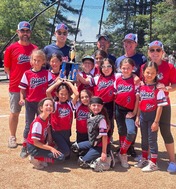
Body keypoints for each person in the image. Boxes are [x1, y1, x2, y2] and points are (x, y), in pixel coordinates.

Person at [4, 21, 37, 148]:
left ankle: (32, 137)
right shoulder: (11, 48)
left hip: (32, 87)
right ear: (18, 32)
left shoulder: (34, 49)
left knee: (32, 114)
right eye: (22, 31)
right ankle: (12, 136)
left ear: (30, 33)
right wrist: (16, 78)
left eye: (27, 31)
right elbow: (7, 68)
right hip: (16, 87)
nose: (25, 33)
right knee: (15, 112)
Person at [145, 40, 176, 173]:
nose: (155, 53)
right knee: (149, 134)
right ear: (148, 52)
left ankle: (172, 160)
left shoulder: (169, 67)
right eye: (152, 50)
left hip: (163, 105)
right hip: (148, 106)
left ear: (162, 52)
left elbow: (175, 85)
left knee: (165, 132)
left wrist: (167, 88)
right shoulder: (144, 66)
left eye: (158, 50)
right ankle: (150, 159)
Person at [115, 33, 147, 157]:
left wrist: (134, 76)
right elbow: (118, 77)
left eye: (131, 42)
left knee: (132, 126)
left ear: (135, 44)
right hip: (121, 100)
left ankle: (131, 147)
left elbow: (142, 78)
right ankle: (122, 147)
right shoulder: (119, 60)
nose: (128, 44)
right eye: (126, 42)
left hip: (134, 98)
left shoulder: (141, 58)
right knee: (121, 127)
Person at [18, 49, 54, 158]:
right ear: (31, 61)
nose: (37, 62)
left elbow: (51, 86)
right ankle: (25, 145)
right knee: (29, 124)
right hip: (30, 102)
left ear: (43, 61)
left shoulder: (46, 73)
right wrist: (22, 98)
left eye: (39, 60)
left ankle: (41, 145)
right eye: (35, 60)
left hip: (42, 104)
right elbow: (22, 89)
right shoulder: (27, 74)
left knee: (44, 124)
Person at [135, 61, 168, 172]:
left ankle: (153, 163)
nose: (149, 75)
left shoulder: (158, 88)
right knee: (144, 139)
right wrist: (138, 117)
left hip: (153, 117)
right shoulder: (141, 87)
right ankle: (144, 158)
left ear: (156, 74)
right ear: (143, 73)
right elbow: (140, 103)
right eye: (147, 72)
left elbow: (160, 106)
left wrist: (156, 122)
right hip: (143, 116)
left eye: (152, 73)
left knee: (152, 140)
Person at [114, 58, 139, 168]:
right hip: (119, 108)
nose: (125, 70)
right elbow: (116, 94)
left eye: (128, 68)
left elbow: (138, 99)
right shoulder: (118, 79)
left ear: (132, 68)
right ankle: (123, 154)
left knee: (131, 132)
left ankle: (122, 152)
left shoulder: (135, 81)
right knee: (121, 130)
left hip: (130, 110)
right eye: (123, 68)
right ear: (120, 68)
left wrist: (134, 112)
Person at [75, 96, 113, 170]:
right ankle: (93, 154)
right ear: (89, 106)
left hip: (100, 145)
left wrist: (104, 152)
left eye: (99, 105)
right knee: (75, 148)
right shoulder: (90, 115)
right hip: (93, 142)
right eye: (94, 105)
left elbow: (104, 137)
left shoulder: (101, 119)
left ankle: (107, 154)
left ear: (102, 106)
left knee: (82, 162)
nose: (96, 107)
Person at [27, 97, 64, 170]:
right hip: (34, 147)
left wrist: (50, 136)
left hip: (41, 143)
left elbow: (48, 127)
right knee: (60, 156)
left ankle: (41, 157)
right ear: (41, 108)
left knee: (57, 147)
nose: (49, 107)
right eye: (46, 105)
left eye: (51, 105)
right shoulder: (38, 123)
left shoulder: (46, 117)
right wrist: (51, 148)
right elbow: (35, 143)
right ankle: (34, 157)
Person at [46, 79, 79, 159]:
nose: (63, 96)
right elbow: (48, 92)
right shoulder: (54, 104)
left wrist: (68, 83)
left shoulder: (70, 104)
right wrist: (57, 83)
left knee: (68, 155)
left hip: (67, 131)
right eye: (61, 94)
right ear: (57, 94)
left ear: (68, 95)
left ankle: (57, 147)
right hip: (56, 132)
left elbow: (77, 94)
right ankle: (44, 155)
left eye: (66, 94)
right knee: (65, 153)